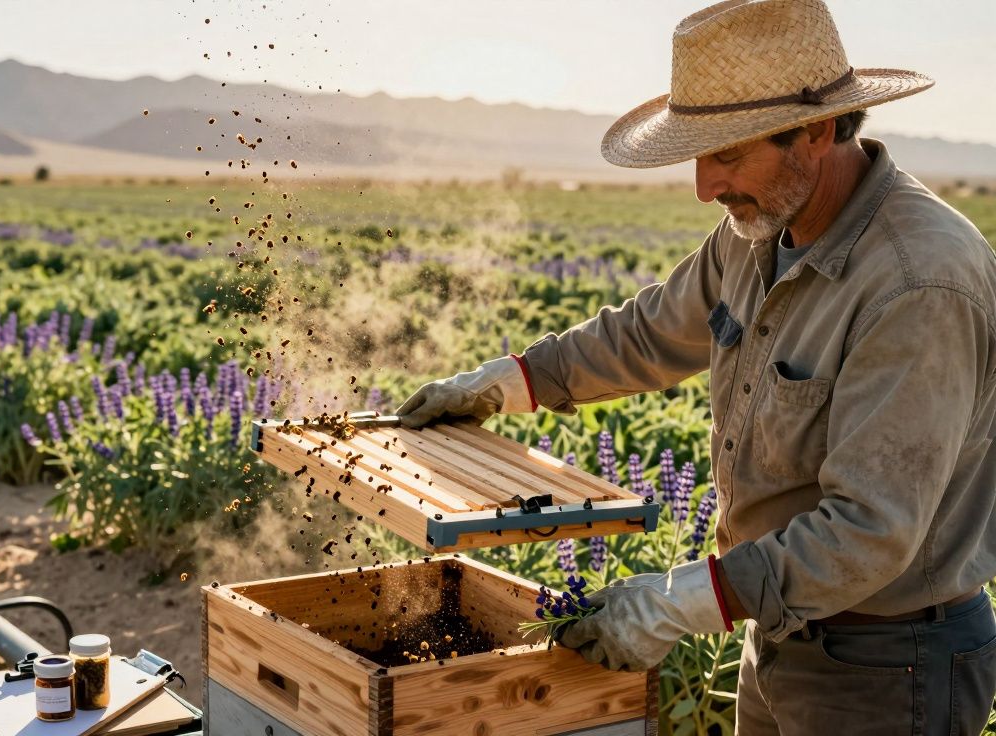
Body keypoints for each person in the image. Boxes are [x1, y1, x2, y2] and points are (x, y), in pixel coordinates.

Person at [396, 0, 996, 732]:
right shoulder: (756, 233)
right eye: (699, 156)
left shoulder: (917, 282)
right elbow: (645, 334)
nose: (704, 186)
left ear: (814, 130)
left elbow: (869, 532)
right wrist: (504, 385)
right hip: (776, 631)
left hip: (887, 664)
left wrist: (682, 601)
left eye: (727, 154)